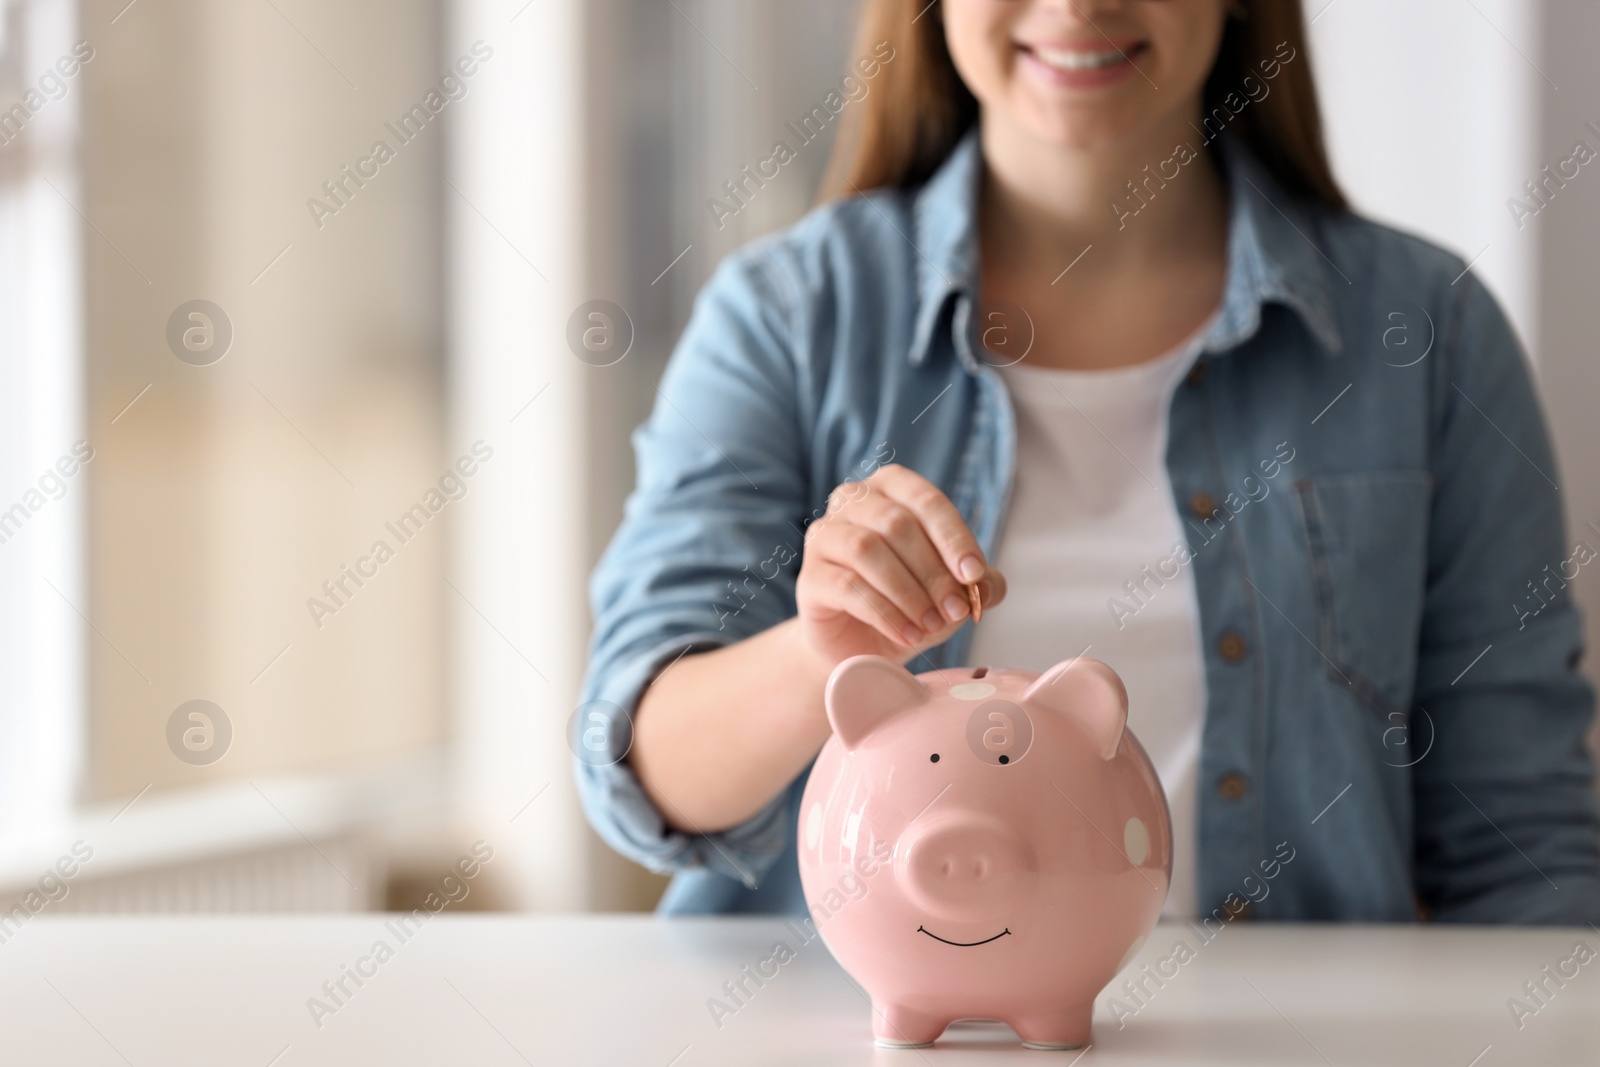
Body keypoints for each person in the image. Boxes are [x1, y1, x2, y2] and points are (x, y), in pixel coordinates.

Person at [575, 0, 1600, 924]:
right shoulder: (787, 316)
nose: (1077, 6)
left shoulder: (1425, 329)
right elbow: (641, 773)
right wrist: (821, 652)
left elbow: (1521, 836)